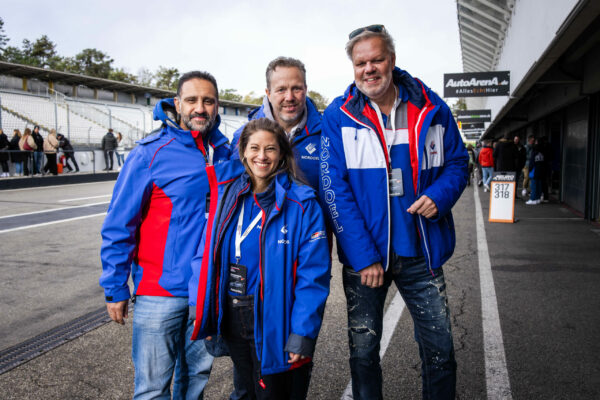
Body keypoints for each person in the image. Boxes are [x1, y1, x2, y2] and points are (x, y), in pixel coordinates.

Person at [319, 25, 468, 399]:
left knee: (441, 352)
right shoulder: (339, 116)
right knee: (364, 355)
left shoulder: (432, 108)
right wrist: (363, 256)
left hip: (422, 251)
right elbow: (334, 189)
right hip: (366, 260)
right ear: (353, 67)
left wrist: (440, 195)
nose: (369, 69)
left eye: (377, 59)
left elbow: (458, 163)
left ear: (392, 60)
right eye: (361, 63)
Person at [100, 71, 230, 399]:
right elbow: (119, 224)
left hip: (207, 291)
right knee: (152, 389)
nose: (200, 108)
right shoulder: (149, 153)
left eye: (208, 101)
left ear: (217, 107)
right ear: (177, 104)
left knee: (194, 384)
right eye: (192, 100)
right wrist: (115, 286)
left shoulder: (226, 152)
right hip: (159, 293)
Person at [189, 117, 330, 399]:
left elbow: (312, 277)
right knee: (244, 390)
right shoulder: (227, 195)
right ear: (243, 152)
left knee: (274, 393)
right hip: (232, 313)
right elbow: (203, 254)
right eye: (254, 148)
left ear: (282, 154)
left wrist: (302, 333)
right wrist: (202, 308)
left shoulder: (303, 203)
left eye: (270, 149)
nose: (261, 156)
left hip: (273, 316)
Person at [231, 57, 322, 190]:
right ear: (268, 93)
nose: (289, 97)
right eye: (281, 90)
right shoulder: (243, 137)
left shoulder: (327, 133)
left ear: (306, 89)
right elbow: (236, 190)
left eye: (296, 89)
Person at [526, 139, 545, 205]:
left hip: (535, 170)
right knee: (539, 185)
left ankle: (532, 199)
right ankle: (538, 199)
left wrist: (530, 169)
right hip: (541, 170)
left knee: (533, 185)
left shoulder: (534, 151)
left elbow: (531, 162)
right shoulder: (543, 151)